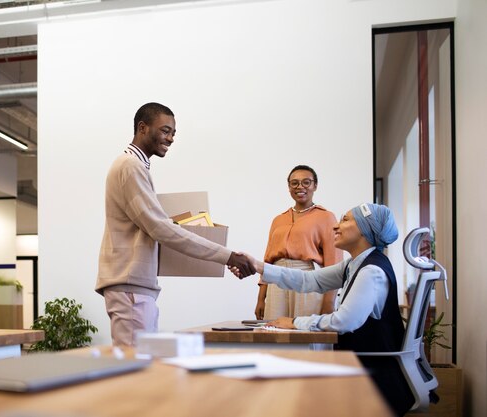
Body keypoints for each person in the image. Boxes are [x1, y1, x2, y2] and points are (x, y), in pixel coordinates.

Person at [96, 102, 255, 347]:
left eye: (173, 133)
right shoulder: (130, 166)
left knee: (142, 367)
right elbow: (160, 229)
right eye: (165, 130)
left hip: (135, 287)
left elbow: (156, 226)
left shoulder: (135, 166)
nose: (170, 138)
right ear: (142, 128)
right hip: (130, 288)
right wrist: (228, 256)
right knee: (136, 372)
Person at [234, 203, 414, 416]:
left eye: (346, 220)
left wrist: (294, 322)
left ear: (366, 229)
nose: (336, 226)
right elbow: (307, 280)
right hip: (358, 370)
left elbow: (344, 321)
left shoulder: (371, 271)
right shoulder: (353, 265)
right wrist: (257, 266)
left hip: (373, 382)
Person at [255, 165, 342, 321]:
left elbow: (334, 263)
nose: (300, 187)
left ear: (315, 185)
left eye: (306, 182)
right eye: (294, 183)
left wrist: (329, 302)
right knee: (273, 330)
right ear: (289, 187)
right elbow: (267, 261)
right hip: (276, 278)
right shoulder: (278, 219)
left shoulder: (326, 217)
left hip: (307, 277)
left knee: (306, 332)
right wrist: (261, 299)